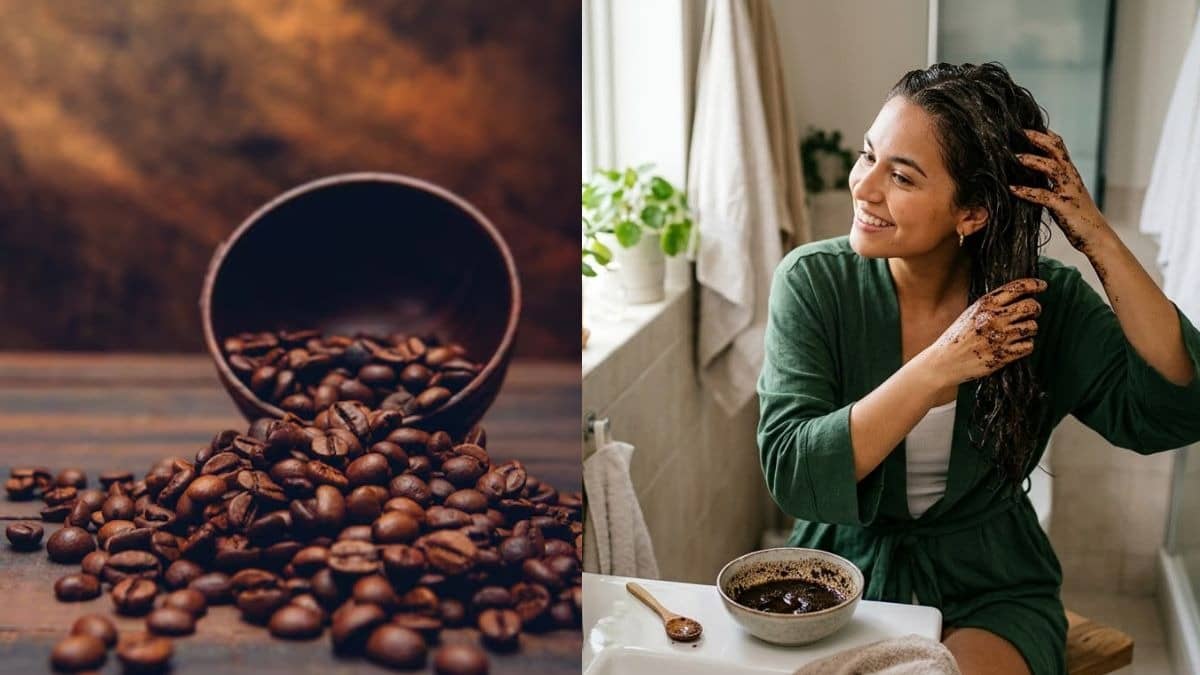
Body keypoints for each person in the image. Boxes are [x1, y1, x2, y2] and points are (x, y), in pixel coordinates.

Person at [757, 62, 1200, 675]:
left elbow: (1173, 410)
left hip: (992, 588)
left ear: (972, 213)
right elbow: (793, 472)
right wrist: (939, 366)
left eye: (902, 177)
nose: (864, 187)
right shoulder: (813, 283)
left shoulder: (1044, 304)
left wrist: (1094, 235)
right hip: (841, 581)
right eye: (868, 156)